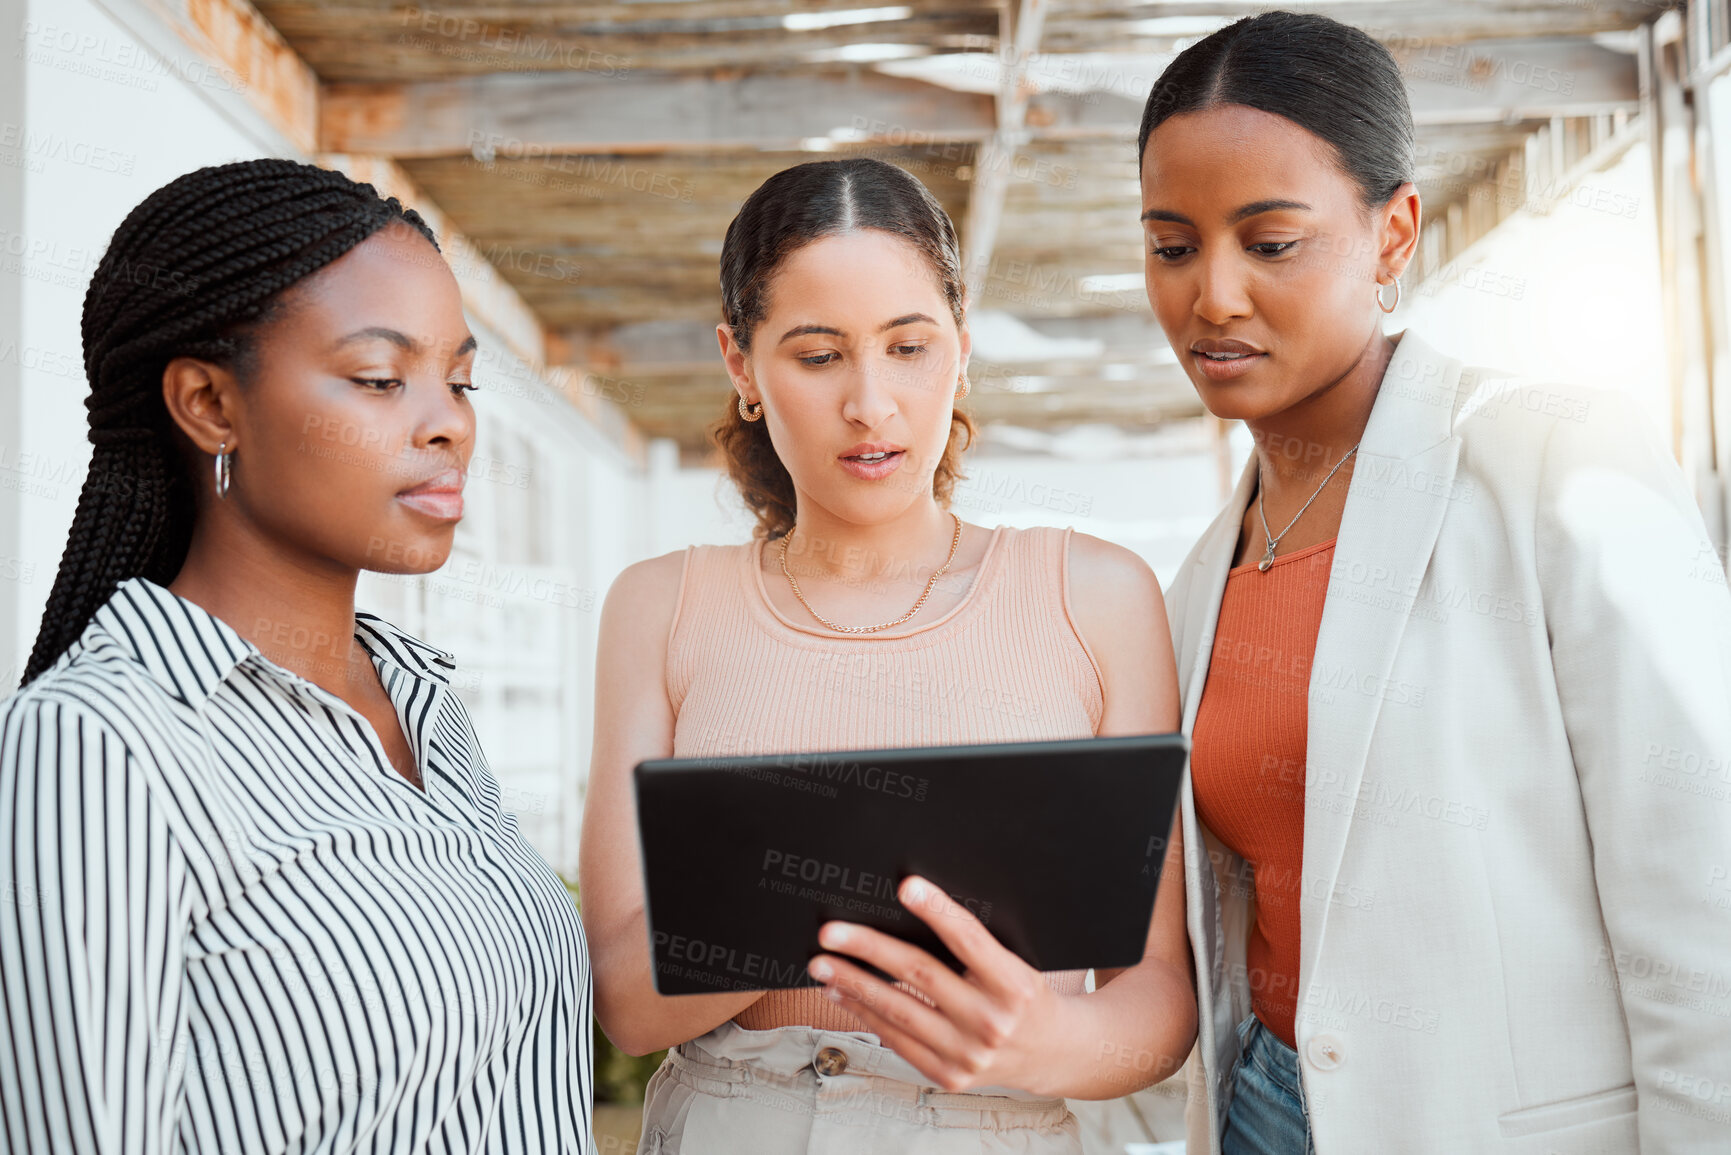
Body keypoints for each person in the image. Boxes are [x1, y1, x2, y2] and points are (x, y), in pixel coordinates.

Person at [1137, 12, 1731, 1155]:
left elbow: (1703, 887)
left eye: (1270, 243)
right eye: (1173, 245)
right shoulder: (1199, 578)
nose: (1211, 295)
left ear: (1393, 231)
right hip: (1262, 1109)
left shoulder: (1558, 460)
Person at [579, 156, 1196, 1154]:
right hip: (738, 1121)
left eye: (909, 346)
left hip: (994, 1123)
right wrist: (834, 882)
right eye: (818, 356)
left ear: (960, 344)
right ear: (741, 364)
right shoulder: (660, 606)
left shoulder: (1099, 598)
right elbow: (626, 1005)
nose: (872, 403)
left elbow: (1158, 998)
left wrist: (1047, 1040)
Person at [0, 159, 593, 1154]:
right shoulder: (100, 744)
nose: (449, 423)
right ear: (209, 404)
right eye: (379, 379)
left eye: (460, 379)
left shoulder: (426, 706)